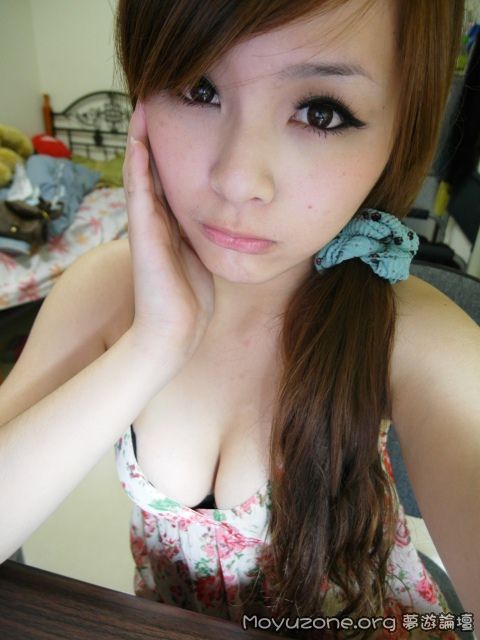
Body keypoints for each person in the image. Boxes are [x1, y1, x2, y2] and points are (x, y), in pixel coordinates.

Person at [0, 0, 478, 638]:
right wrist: (153, 345)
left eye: (321, 112)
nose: (236, 179)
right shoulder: (106, 291)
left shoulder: (409, 331)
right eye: (197, 88)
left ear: (399, 129)